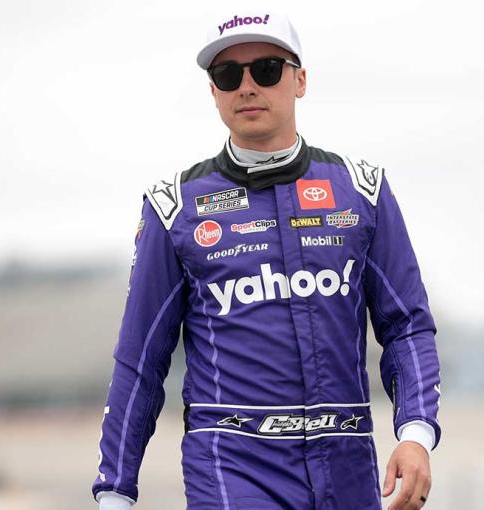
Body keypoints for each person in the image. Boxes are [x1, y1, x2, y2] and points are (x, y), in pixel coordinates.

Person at [92, 10, 441, 510]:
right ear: (213, 90)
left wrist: (415, 433)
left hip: (347, 465)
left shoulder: (362, 191)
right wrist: (114, 491)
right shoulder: (175, 208)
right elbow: (140, 359)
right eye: (228, 75)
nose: (247, 86)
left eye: (267, 70)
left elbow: (407, 326)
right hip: (232, 466)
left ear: (300, 80)